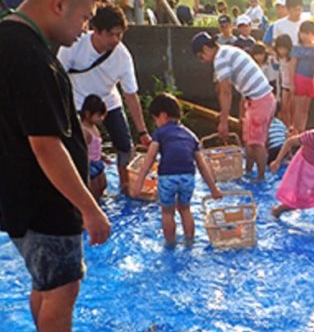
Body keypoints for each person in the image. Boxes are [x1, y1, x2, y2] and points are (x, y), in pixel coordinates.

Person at [0, 0, 111, 332]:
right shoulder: (31, 58)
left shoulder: (10, 40)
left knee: (45, 282)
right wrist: (90, 209)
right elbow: (46, 146)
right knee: (62, 290)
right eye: (85, 17)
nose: (84, 29)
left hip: (20, 196)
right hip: (46, 200)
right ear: (59, 3)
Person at [57, 3, 150, 194]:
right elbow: (57, 79)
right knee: (80, 149)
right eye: (112, 34)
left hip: (109, 103)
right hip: (79, 105)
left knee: (124, 145)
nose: (116, 40)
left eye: (120, 35)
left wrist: (142, 131)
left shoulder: (123, 56)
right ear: (96, 31)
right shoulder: (74, 45)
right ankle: (80, 191)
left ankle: (126, 185)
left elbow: (131, 95)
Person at [131, 94, 222, 245]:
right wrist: (213, 188)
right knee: (185, 209)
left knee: (167, 211)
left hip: (167, 177)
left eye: (155, 119)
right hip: (188, 177)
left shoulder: (159, 134)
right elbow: (202, 164)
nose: (156, 123)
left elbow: (150, 158)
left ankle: (170, 244)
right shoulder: (191, 136)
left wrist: (139, 182)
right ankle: (190, 242)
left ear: (163, 116)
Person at [192, 32, 276, 180]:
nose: (203, 61)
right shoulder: (226, 51)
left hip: (260, 100)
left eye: (201, 57)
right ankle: (249, 173)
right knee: (249, 141)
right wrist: (226, 113)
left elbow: (226, 92)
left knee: (256, 143)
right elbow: (222, 89)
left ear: (206, 49)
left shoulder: (220, 59)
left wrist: (224, 121)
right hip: (259, 99)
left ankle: (261, 177)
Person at [289, 20, 314, 134]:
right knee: (298, 107)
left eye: (309, 33)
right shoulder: (297, 48)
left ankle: (302, 130)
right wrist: (292, 83)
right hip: (299, 78)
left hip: (310, 79)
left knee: (306, 108)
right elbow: (292, 65)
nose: (306, 36)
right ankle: (296, 129)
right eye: (304, 33)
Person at [80, 94, 109, 201]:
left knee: (103, 185)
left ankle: (102, 204)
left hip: (98, 161)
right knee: (94, 191)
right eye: (98, 115)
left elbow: (96, 146)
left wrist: (102, 156)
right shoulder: (84, 130)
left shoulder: (94, 127)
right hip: (90, 164)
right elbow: (81, 150)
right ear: (87, 114)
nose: (101, 119)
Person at [273, 33, 293, 126]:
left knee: (290, 109)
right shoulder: (279, 58)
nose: (282, 51)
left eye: (284, 49)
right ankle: (285, 127)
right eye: (280, 49)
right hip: (284, 86)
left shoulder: (292, 59)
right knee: (284, 109)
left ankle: (291, 127)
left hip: (292, 86)